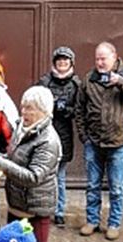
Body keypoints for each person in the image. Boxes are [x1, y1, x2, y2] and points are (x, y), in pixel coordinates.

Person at [76, 42, 123, 241]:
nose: (100, 63)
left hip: (118, 142)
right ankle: (92, 221)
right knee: (92, 185)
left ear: (114, 57)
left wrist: (122, 83)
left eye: (103, 59)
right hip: (94, 142)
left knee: (116, 188)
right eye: (97, 59)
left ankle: (114, 223)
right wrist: (84, 136)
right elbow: (79, 109)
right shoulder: (89, 79)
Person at [0, 86, 62, 242]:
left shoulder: (48, 140)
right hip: (16, 206)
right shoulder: (21, 128)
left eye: (29, 108)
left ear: (44, 111)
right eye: (23, 106)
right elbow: (14, 159)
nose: (23, 112)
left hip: (34, 211)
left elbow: (34, 177)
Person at [38, 47, 83, 226]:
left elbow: (80, 109)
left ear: (71, 63)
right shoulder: (45, 82)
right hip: (46, 132)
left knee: (60, 176)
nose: (62, 63)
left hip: (64, 134)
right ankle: (43, 208)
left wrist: (67, 110)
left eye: (66, 60)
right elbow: (37, 102)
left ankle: (59, 211)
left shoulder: (76, 84)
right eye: (59, 60)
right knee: (43, 174)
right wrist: (51, 107)